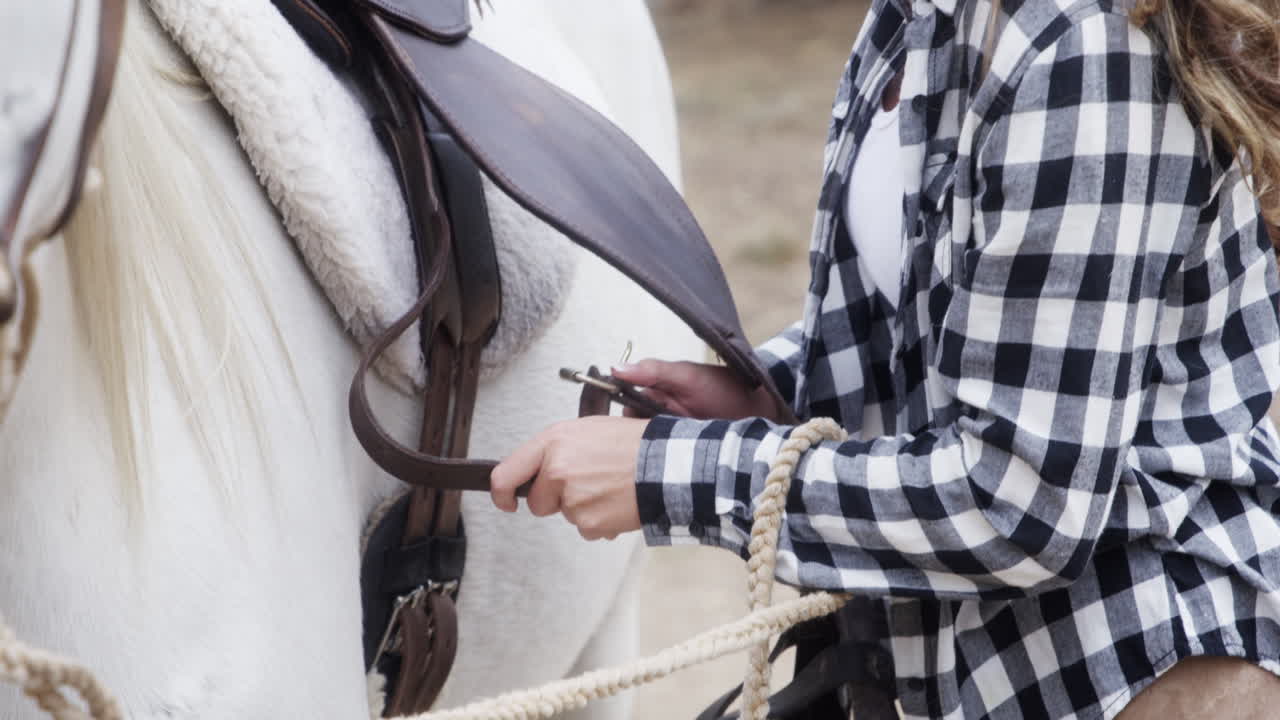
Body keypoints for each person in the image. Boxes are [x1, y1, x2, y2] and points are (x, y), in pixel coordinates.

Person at [489, 0, 1280, 717]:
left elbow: (1021, 503)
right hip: (975, 670)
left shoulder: (1084, 54)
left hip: (1132, 675)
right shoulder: (916, 20)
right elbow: (934, 331)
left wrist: (663, 472)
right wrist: (770, 395)